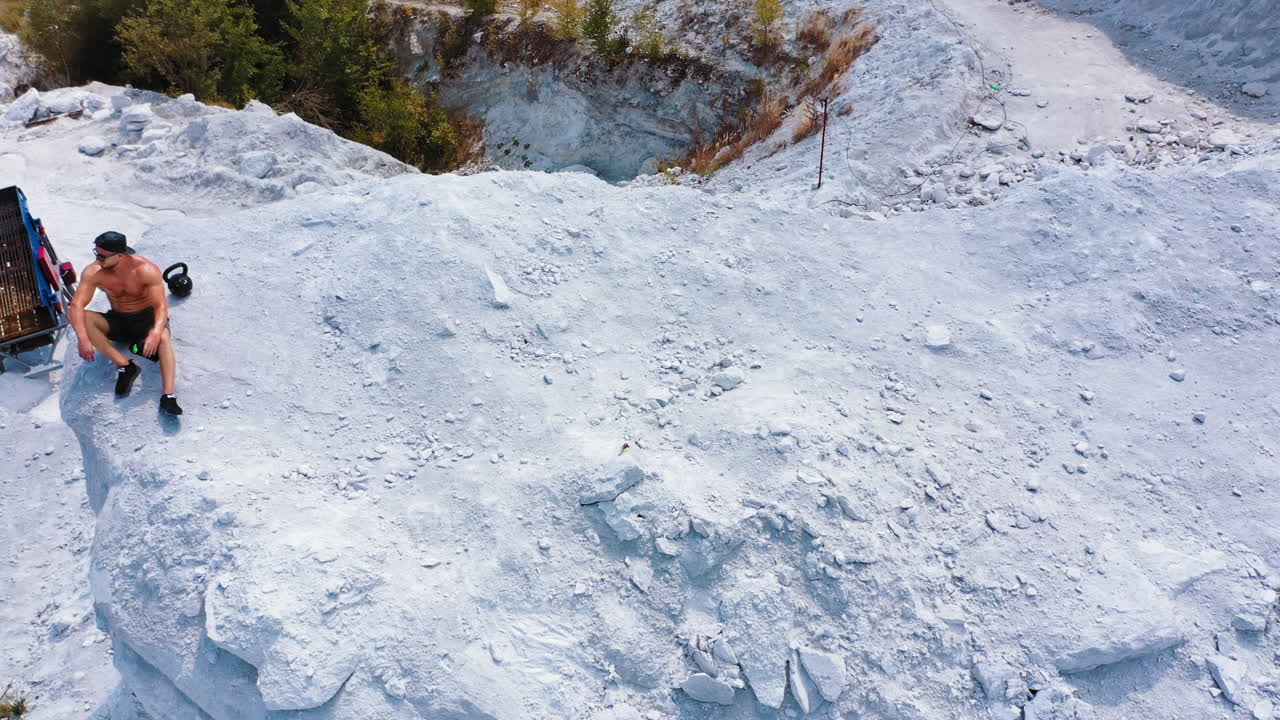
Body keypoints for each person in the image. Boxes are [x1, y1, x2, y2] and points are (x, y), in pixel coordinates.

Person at [69, 231, 183, 415]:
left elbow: (161, 306)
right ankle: (125, 366)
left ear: (120, 255)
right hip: (119, 319)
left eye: (102, 256)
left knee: (162, 337)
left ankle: (168, 397)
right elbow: (76, 305)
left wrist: (154, 334)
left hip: (147, 318)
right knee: (86, 317)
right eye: (96, 254)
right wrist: (82, 338)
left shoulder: (145, 269)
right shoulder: (94, 272)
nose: (98, 260)